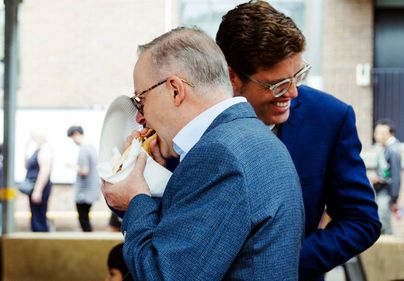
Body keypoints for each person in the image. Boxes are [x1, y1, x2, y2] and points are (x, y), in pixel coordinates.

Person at [102, 27, 304, 280]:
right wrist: (151, 183)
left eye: (141, 99)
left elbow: (164, 274)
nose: (141, 117)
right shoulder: (258, 138)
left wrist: (135, 201)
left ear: (175, 90)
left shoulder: (218, 155)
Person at [215, 1, 381, 280]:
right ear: (233, 76)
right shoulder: (194, 118)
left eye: (298, 76)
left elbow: (361, 222)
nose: (292, 93)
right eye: (277, 84)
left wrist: (283, 262)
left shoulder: (331, 118)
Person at [67, 126, 101, 232]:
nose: (73, 141)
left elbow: (84, 171)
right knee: (86, 219)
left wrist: (72, 166)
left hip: (85, 192)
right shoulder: (91, 147)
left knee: (84, 220)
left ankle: (89, 242)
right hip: (92, 190)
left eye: (72, 138)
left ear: (76, 134)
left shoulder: (84, 149)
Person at [372, 119, 401, 234]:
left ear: (388, 133)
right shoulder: (387, 149)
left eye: (379, 132)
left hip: (386, 194)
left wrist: (394, 198)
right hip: (383, 193)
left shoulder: (393, 150)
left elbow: (395, 176)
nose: (376, 136)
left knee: (384, 224)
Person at [23, 129, 53, 232]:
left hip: (40, 187)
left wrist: (38, 190)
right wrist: (26, 148)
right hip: (35, 187)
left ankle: (41, 242)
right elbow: (26, 165)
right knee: (35, 216)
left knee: (39, 218)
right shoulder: (37, 150)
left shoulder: (45, 150)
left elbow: (44, 171)